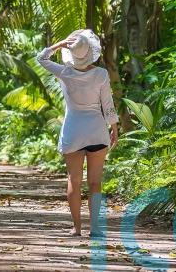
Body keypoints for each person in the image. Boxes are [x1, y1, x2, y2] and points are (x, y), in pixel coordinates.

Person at [35, 29, 119, 238]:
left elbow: (41, 58)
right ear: (91, 51)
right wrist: (114, 127)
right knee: (95, 183)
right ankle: (95, 228)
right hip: (97, 131)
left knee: (74, 180)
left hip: (73, 132)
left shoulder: (64, 72)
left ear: (70, 52)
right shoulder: (101, 74)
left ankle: (77, 228)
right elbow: (108, 104)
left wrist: (59, 44)